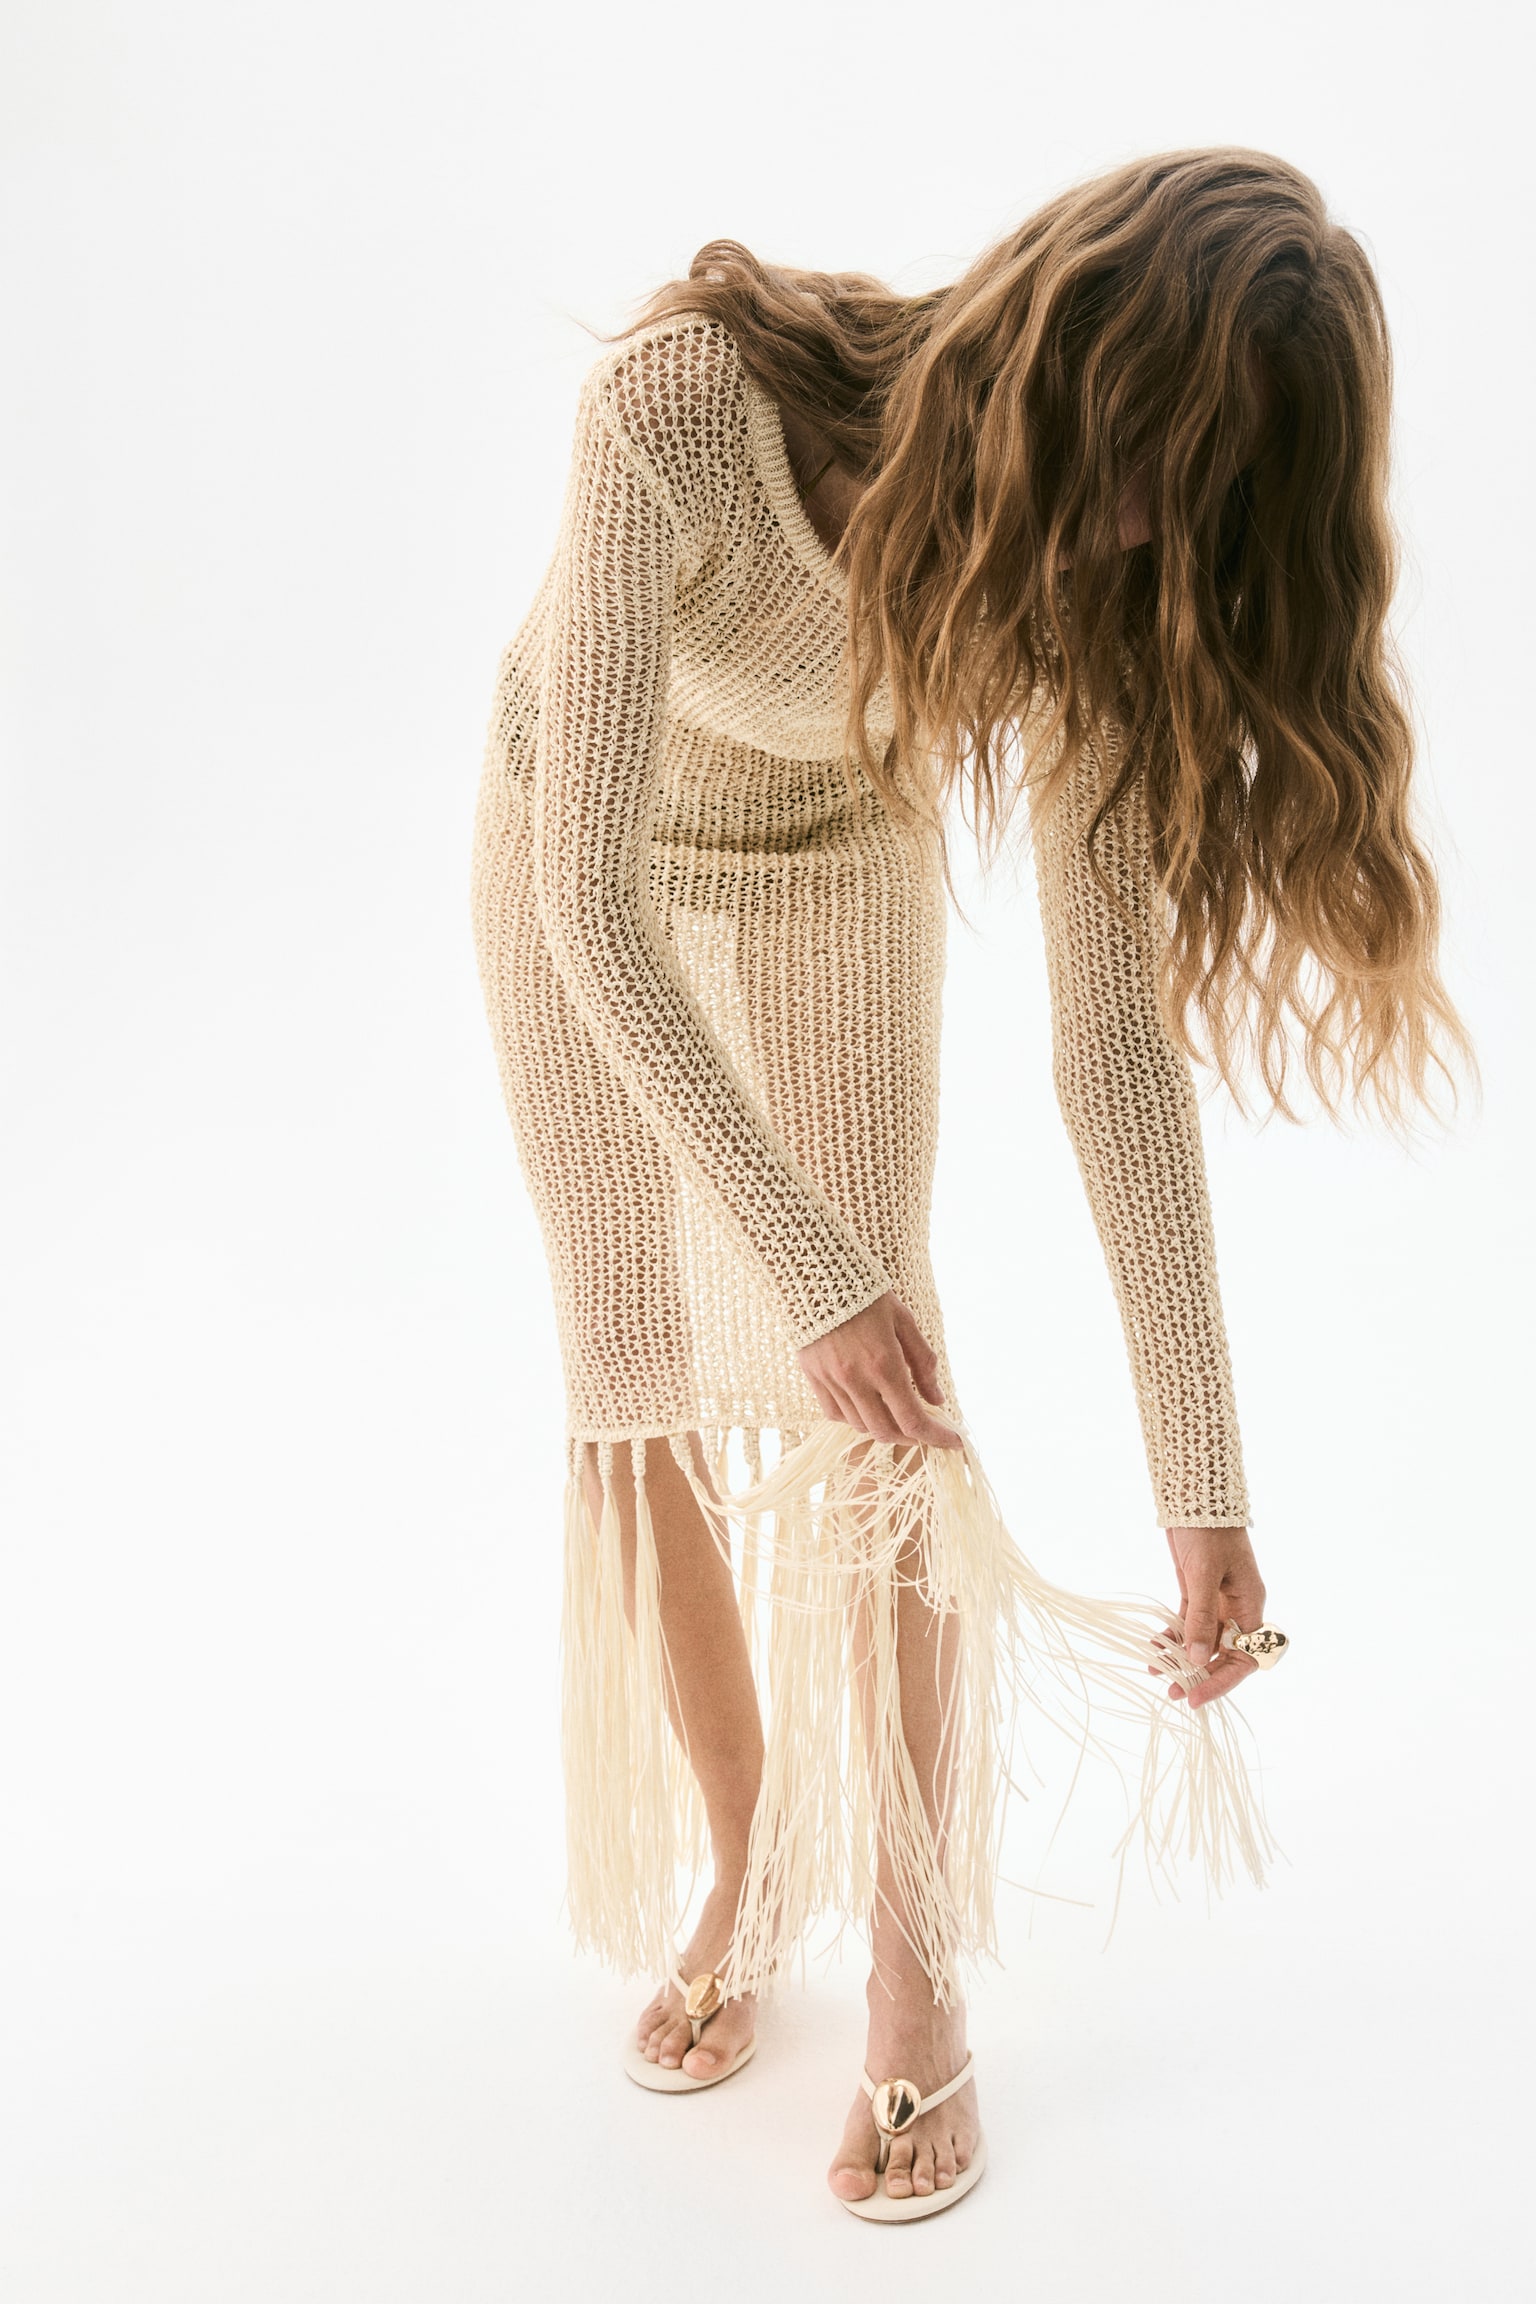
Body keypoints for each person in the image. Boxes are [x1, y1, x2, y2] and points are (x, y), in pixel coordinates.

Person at [468, 146, 1471, 2221]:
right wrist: (799, 1261)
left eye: (1201, 502)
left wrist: (1207, 1494)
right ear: (1063, 346)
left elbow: (1113, 1056)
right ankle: (744, 1870)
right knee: (639, 1373)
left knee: (889, 1413)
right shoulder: (682, 406)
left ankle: (916, 1976)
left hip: (836, 864)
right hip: (585, 861)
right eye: (1148, 460)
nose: (1140, 528)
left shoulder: (1108, 597)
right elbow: (588, 897)